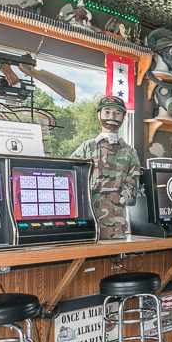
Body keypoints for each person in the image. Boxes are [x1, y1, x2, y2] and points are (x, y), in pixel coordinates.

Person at [71, 96, 142, 239]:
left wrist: (122, 197)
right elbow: (70, 176)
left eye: (117, 113)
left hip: (117, 225)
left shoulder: (130, 152)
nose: (112, 116)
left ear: (123, 117)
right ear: (99, 115)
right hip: (87, 222)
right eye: (107, 112)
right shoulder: (87, 147)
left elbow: (133, 185)